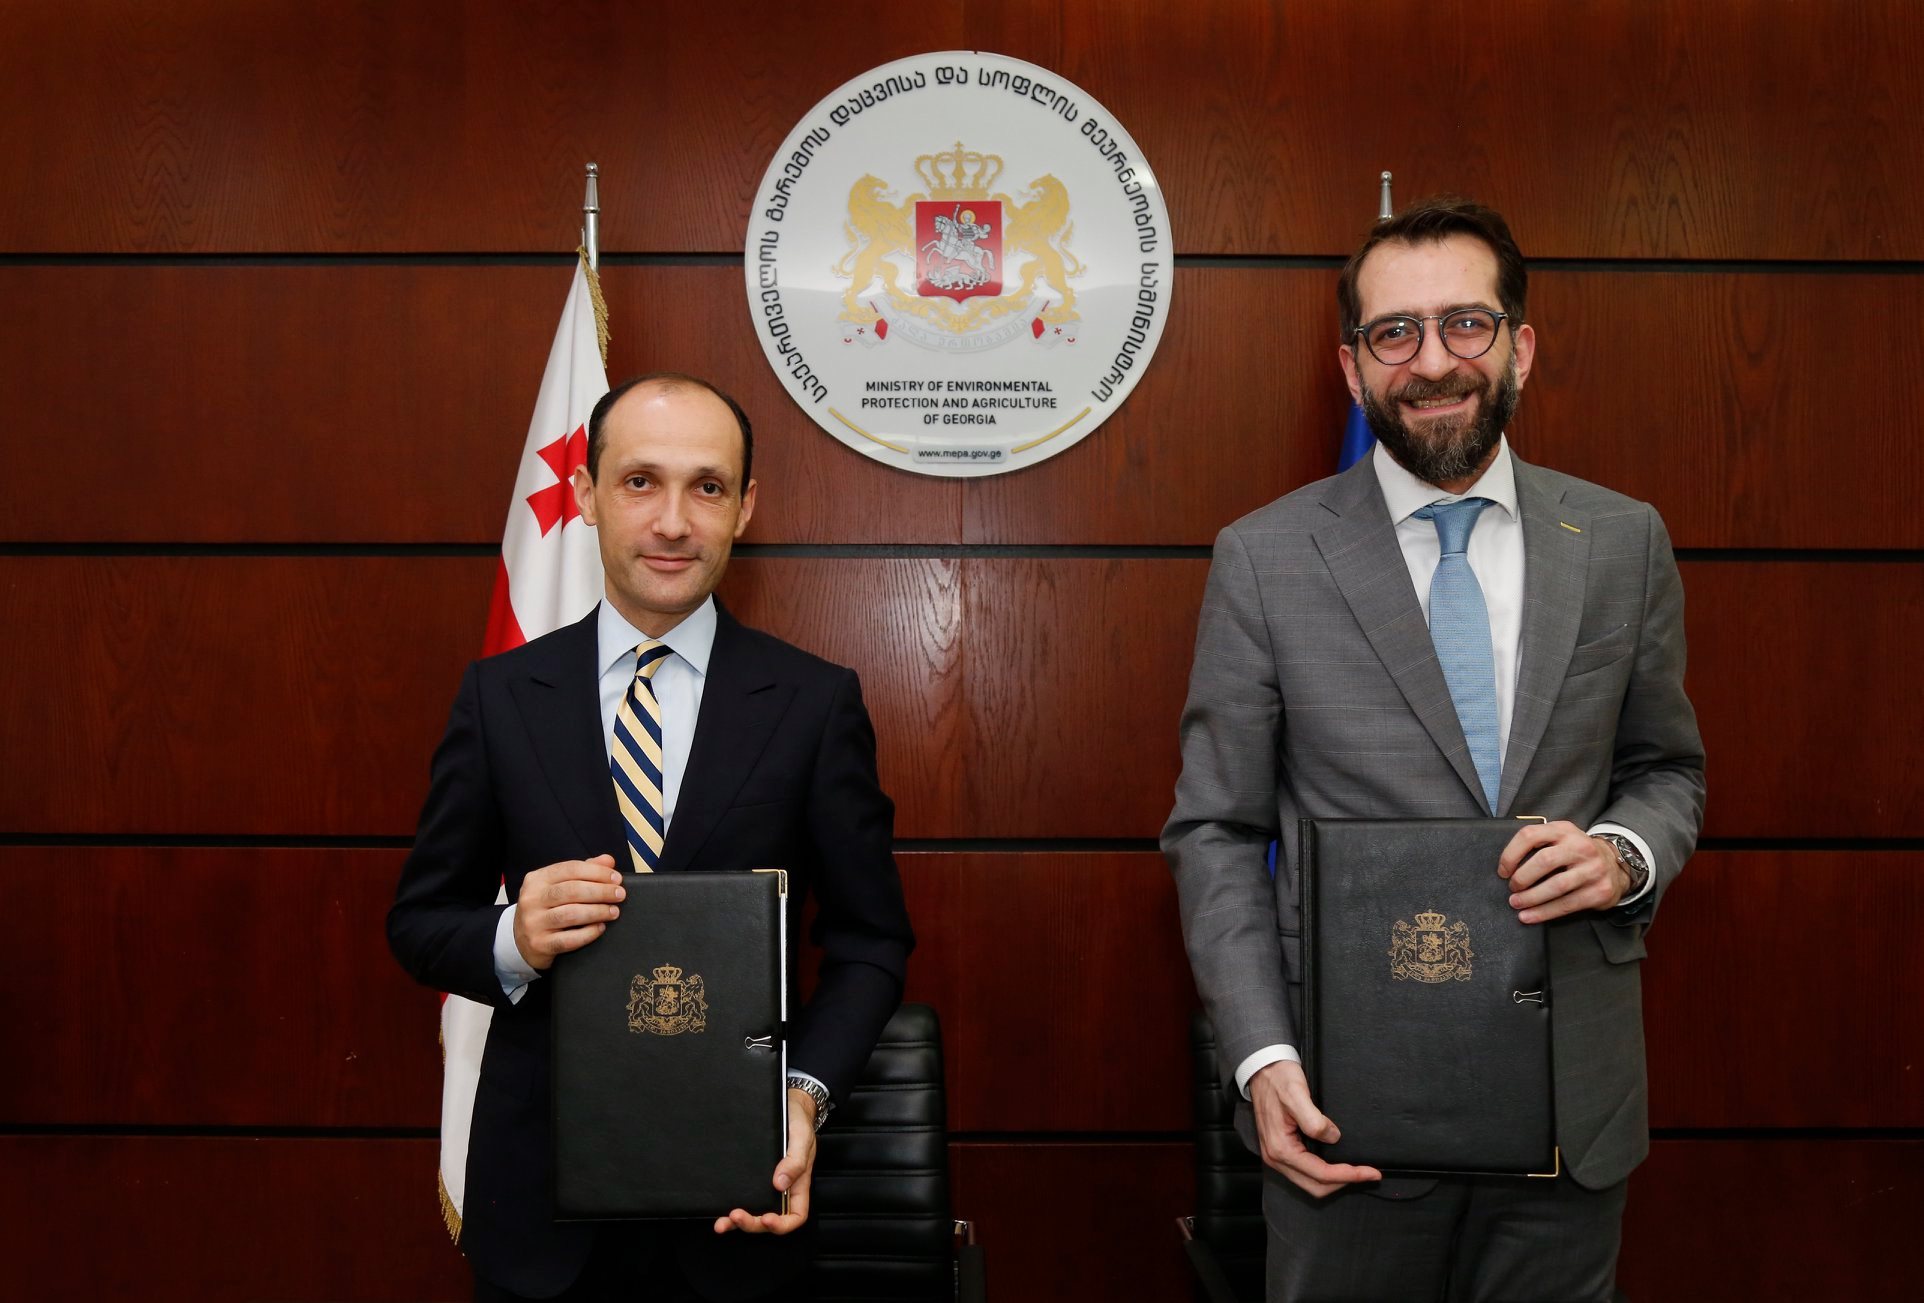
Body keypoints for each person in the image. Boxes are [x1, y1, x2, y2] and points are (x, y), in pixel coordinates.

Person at [1163, 198, 1705, 1302]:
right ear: (1353, 368)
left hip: (1569, 1103)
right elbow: (1215, 829)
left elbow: (1666, 768)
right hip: (1346, 1108)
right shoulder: (1266, 557)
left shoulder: (1621, 539)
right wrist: (1261, 1058)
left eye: (1465, 322)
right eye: (1393, 333)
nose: (1432, 361)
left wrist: (1624, 854)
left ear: (1520, 346)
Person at [389, 373, 915, 1302]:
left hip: (740, 1207)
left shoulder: (815, 703)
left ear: (744, 508)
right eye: (640, 481)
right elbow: (421, 921)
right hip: (540, 1215)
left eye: (707, 486)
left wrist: (803, 1095)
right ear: (586, 494)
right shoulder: (500, 697)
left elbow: (871, 942)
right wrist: (514, 937)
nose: (673, 521)